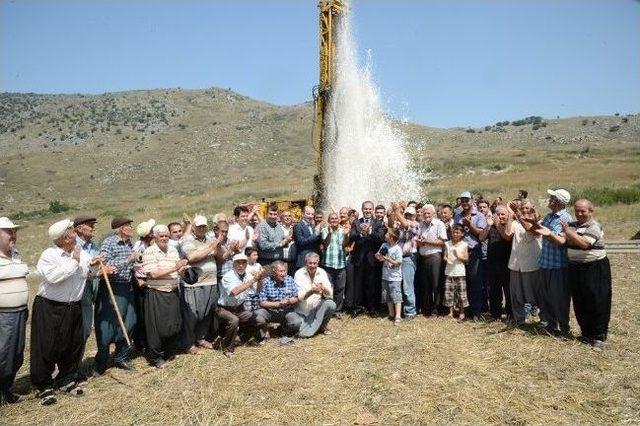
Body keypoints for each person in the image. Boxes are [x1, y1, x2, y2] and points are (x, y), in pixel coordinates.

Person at [31, 219, 94, 405]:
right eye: (72, 232)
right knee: (47, 347)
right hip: (50, 307)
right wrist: (74, 260)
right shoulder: (49, 255)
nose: (75, 234)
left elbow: (86, 272)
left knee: (72, 345)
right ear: (65, 238)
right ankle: (44, 386)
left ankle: (66, 378)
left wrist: (96, 266)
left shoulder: (80, 254)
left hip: (73, 306)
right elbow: (54, 277)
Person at [563, 199, 611, 350]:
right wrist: (544, 232)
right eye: (576, 211)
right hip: (575, 267)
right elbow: (561, 240)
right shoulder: (572, 225)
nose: (579, 214)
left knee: (597, 300)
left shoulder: (594, 226)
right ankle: (586, 332)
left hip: (594, 267)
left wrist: (568, 233)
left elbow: (584, 244)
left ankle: (599, 337)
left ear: (591, 211)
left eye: (583, 211)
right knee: (580, 300)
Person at [95, 217, 138, 375]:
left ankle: (121, 356)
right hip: (112, 288)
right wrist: (128, 260)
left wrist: (136, 264)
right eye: (128, 226)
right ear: (120, 228)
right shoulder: (109, 242)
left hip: (127, 287)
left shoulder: (129, 243)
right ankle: (101, 361)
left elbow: (129, 264)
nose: (131, 228)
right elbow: (104, 265)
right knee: (109, 326)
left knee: (130, 321)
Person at [141, 225, 187, 368]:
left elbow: (177, 270)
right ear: (155, 237)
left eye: (166, 235)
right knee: (156, 327)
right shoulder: (149, 251)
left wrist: (183, 270)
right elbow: (153, 274)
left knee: (172, 324)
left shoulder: (173, 250)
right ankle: (156, 357)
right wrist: (175, 267)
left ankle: (169, 352)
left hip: (172, 290)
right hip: (157, 291)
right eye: (161, 236)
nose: (164, 238)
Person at [529, 189, 574, 335]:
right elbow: (537, 230)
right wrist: (533, 222)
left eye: (552, 198)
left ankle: (564, 328)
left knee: (559, 298)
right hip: (545, 263)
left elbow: (561, 241)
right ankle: (549, 324)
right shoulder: (549, 216)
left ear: (558, 202)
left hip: (558, 265)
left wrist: (548, 234)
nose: (549, 199)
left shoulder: (565, 219)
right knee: (545, 296)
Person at [180, 214, 219, 353]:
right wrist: (211, 247)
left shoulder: (210, 239)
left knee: (207, 312)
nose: (201, 229)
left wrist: (215, 246)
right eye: (199, 226)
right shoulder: (188, 240)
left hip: (211, 280)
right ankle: (189, 343)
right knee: (193, 314)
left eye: (204, 226)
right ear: (194, 227)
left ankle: (201, 338)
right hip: (195, 283)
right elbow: (192, 257)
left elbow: (216, 254)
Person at [0, 217, 28, 406]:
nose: (13, 235)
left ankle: (6, 390)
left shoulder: (16, 254)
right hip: (3, 315)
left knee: (16, 354)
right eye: (9, 232)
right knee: (2, 354)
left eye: (14, 231)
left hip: (20, 312)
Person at [217, 253, 266, 355]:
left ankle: (240, 339)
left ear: (246, 264)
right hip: (223, 308)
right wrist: (254, 280)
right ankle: (228, 349)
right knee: (234, 320)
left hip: (239, 308)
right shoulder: (228, 276)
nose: (241, 266)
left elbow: (257, 291)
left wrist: (260, 279)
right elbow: (235, 291)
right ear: (233, 264)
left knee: (260, 320)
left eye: (243, 263)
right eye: (238, 263)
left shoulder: (248, 275)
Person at [453, 191, 487, 320]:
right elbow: (455, 232)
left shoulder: (479, 215)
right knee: (462, 282)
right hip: (460, 252)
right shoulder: (457, 216)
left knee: (475, 282)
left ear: (472, 201)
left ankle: (475, 312)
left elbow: (481, 234)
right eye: (463, 200)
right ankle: (464, 310)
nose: (465, 203)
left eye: (467, 200)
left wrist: (469, 225)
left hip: (474, 252)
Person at [348, 201, 386, 316]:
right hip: (359, 258)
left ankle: (372, 308)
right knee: (358, 283)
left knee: (371, 283)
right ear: (362, 209)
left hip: (372, 258)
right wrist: (361, 234)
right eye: (365, 209)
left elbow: (380, 238)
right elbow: (351, 236)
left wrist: (369, 231)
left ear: (373, 210)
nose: (368, 211)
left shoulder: (378, 223)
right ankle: (357, 307)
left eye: (370, 209)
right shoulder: (356, 222)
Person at [508, 199, 542, 325]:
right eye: (523, 208)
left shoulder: (538, 222)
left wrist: (517, 213)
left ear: (533, 209)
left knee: (532, 291)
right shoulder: (516, 222)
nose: (525, 210)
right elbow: (507, 234)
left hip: (531, 261)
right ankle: (519, 318)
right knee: (516, 292)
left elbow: (529, 230)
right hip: (516, 262)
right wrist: (510, 216)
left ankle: (536, 315)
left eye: (528, 208)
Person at [73, 215, 99, 364]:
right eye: (90, 225)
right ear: (80, 228)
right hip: (78, 291)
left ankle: (76, 365)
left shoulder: (93, 246)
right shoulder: (73, 245)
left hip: (90, 290)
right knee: (79, 329)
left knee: (86, 328)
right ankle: (72, 367)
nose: (93, 227)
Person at [255, 261, 301, 342]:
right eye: (281, 271)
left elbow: (296, 297)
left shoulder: (289, 279)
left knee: (296, 322)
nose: (283, 274)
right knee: (258, 314)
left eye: (284, 271)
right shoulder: (266, 282)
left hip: (286, 310)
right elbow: (262, 302)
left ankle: (283, 331)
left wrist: (289, 301)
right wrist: (278, 304)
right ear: (273, 272)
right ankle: (264, 331)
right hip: (270, 311)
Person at [482, 205, 513, 321]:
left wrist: (498, 225)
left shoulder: (510, 225)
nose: (500, 217)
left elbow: (508, 237)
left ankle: (510, 314)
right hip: (492, 263)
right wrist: (488, 226)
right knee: (494, 290)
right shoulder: (491, 226)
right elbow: (481, 238)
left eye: (502, 214)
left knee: (508, 291)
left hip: (507, 263)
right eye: (497, 214)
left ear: (508, 215)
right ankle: (495, 314)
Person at [415, 204, 447, 317]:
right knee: (425, 284)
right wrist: (419, 241)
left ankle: (437, 308)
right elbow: (418, 239)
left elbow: (443, 241)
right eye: (424, 213)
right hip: (423, 257)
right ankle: (427, 308)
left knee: (436, 283)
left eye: (428, 213)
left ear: (433, 214)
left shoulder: (439, 224)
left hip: (435, 256)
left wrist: (427, 241)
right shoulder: (420, 224)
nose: (426, 215)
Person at [294, 253, 336, 337]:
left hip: (317, 307)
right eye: (310, 263)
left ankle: (322, 326)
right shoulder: (299, 273)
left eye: (315, 263)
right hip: (303, 310)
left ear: (318, 263)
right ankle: (315, 326)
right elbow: (299, 297)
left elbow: (330, 294)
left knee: (331, 304)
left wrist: (323, 288)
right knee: (303, 334)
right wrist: (311, 292)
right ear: (305, 262)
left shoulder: (322, 272)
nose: (312, 265)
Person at [320, 212, 348, 313]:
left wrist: (346, 235)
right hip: (328, 264)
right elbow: (325, 244)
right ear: (328, 221)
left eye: (336, 218)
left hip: (340, 264)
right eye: (332, 219)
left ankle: (337, 310)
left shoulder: (342, 231)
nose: (334, 220)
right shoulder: (324, 230)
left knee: (340, 288)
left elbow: (345, 245)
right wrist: (330, 234)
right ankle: (328, 309)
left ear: (338, 220)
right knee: (328, 288)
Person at [375, 229, 403, 325]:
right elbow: (379, 256)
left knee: (396, 296)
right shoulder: (384, 245)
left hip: (395, 277)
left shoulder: (397, 248)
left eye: (387, 234)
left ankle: (398, 316)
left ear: (391, 237)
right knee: (387, 295)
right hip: (385, 275)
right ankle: (391, 314)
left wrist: (387, 258)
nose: (385, 235)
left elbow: (398, 262)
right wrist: (378, 256)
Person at [443, 224, 469, 320]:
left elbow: (466, 258)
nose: (455, 234)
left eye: (457, 232)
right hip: (449, 271)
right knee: (449, 292)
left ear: (462, 234)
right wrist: (446, 259)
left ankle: (462, 312)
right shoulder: (447, 244)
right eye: (453, 232)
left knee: (461, 293)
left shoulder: (464, 245)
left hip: (460, 272)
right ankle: (450, 312)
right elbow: (444, 255)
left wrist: (458, 256)